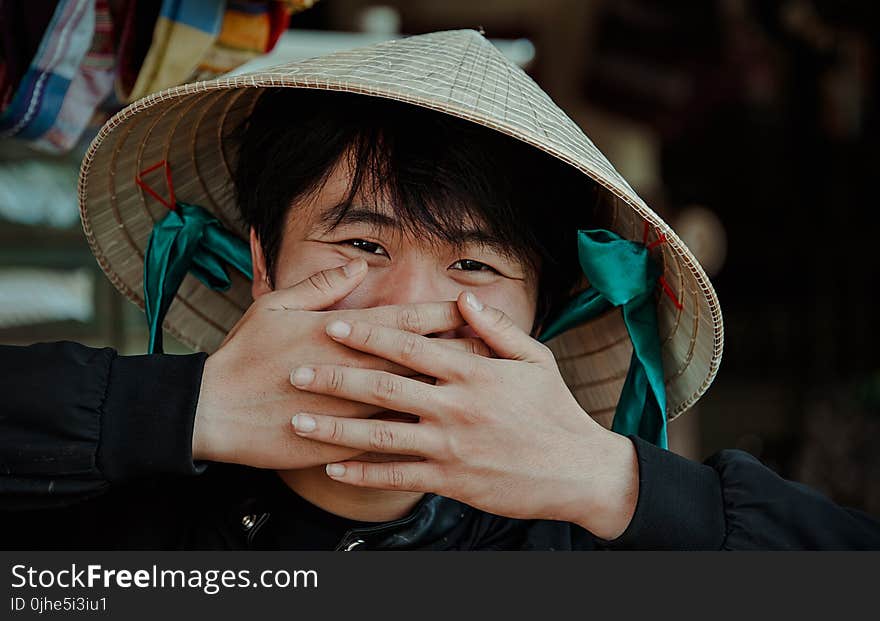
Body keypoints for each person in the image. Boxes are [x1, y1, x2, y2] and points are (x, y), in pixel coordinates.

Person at [2, 30, 879, 550]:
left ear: (543, 313)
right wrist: (179, 410)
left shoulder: (587, 547)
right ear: (262, 268)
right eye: (359, 244)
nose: (406, 317)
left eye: (474, 266)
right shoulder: (112, 529)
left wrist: (611, 481)